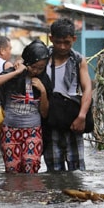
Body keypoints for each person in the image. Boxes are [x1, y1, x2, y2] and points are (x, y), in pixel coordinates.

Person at [0, 40, 52, 174]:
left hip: (33, 131)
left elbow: (45, 113)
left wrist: (43, 91)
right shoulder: (14, 73)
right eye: (34, 67)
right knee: (12, 171)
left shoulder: (44, 80)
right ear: (27, 61)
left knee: (31, 166)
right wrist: (16, 73)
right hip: (10, 131)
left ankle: (29, 195)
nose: (36, 71)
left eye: (41, 68)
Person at [44, 18, 93, 171]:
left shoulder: (78, 60)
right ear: (51, 38)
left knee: (77, 169)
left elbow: (87, 89)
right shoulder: (42, 58)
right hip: (49, 119)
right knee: (53, 170)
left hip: (73, 119)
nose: (62, 46)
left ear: (74, 39)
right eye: (58, 42)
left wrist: (82, 116)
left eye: (67, 42)